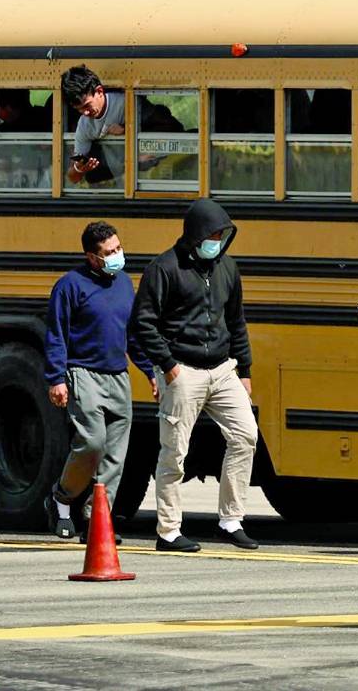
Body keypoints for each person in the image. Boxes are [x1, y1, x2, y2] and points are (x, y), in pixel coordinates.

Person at [130, 199, 258, 553]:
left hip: (222, 369)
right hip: (181, 370)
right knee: (174, 452)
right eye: (213, 234)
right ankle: (168, 531)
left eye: (222, 234)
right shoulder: (164, 269)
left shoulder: (227, 268)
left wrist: (244, 370)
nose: (217, 241)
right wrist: (167, 364)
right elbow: (143, 322)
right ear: (195, 234)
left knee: (246, 435)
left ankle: (231, 520)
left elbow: (236, 322)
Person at [43, 221, 157, 540]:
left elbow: (132, 335)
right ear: (92, 257)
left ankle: (96, 518)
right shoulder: (69, 285)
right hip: (83, 373)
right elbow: (56, 335)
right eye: (110, 252)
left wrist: (150, 371)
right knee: (92, 443)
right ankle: (62, 499)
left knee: (115, 454)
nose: (118, 255)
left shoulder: (124, 284)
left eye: (119, 248)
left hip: (118, 375)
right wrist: (56, 379)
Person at [61, 65, 124, 185]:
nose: (85, 113)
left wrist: (128, 129)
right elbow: (72, 178)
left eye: (87, 105)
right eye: (79, 109)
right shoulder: (84, 125)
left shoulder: (125, 104)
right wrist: (79, 168)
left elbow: (165, 126)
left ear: (99, 91)